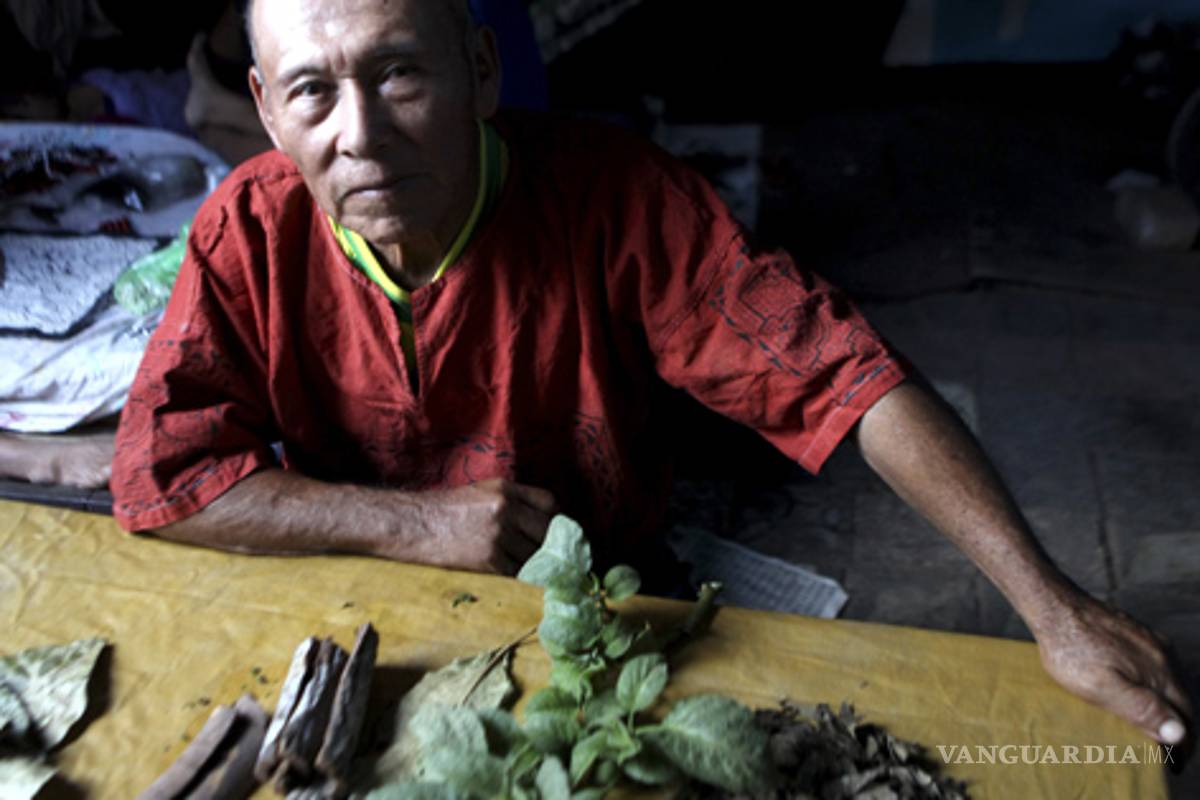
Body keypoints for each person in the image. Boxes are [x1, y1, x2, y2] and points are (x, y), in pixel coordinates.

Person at [109, 0, 1193, 756]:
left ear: (481, 70)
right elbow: (159, 475)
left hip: (598, 611)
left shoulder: (620, 200)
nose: (361, 136)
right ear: (263, 107)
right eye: (311, 91)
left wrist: (1053, 607)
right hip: (357, 600)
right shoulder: (247, 228)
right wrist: (414, 524)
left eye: (400, 71)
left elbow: (851, 381)